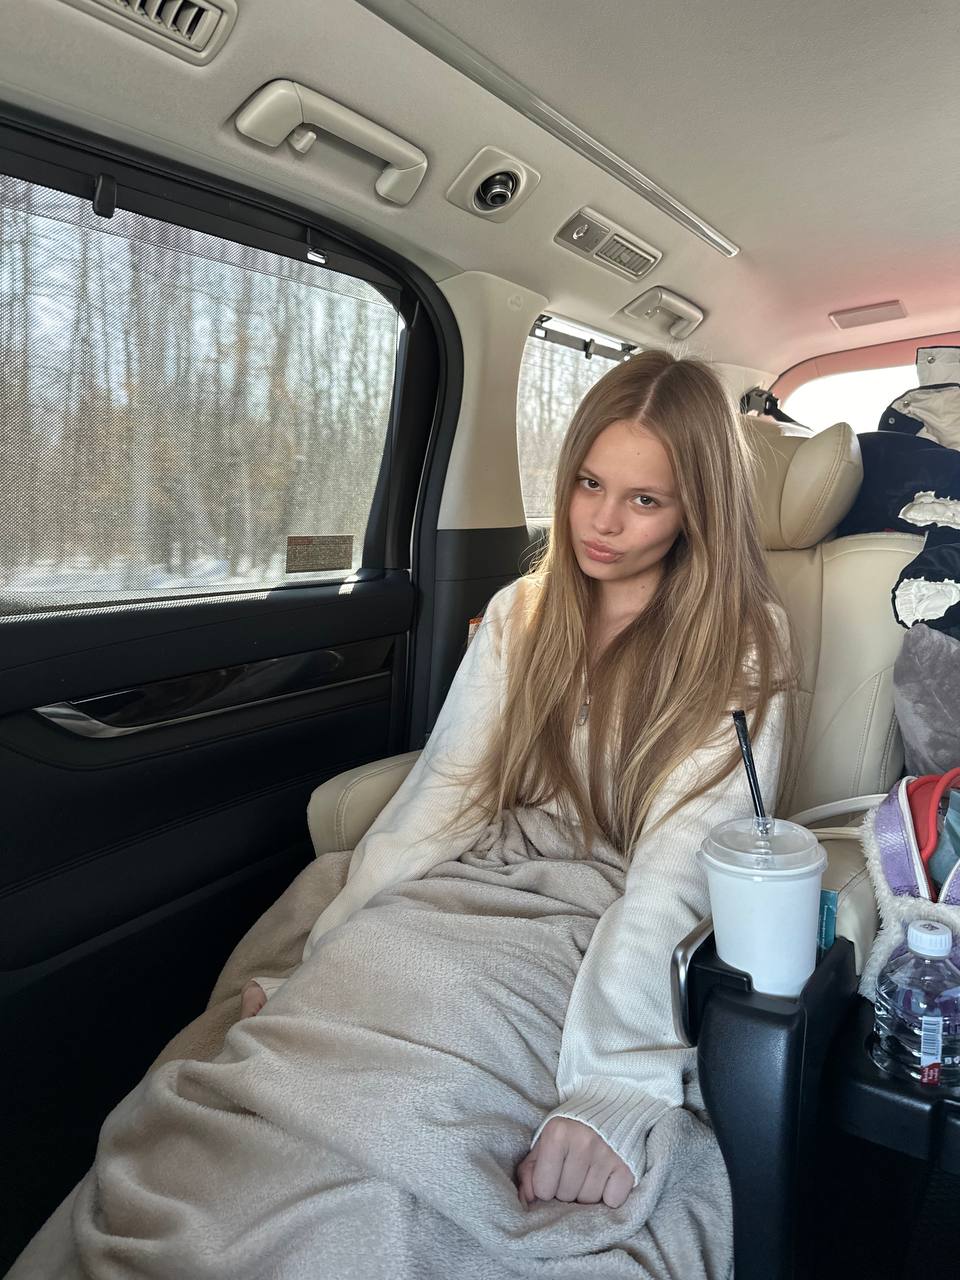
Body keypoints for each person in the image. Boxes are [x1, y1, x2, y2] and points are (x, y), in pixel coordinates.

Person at [10, 350, 795, 1280]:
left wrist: (618, 1085)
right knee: (272, 1075)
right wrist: (324, 947)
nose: (602, 521)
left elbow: (675, 872)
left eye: (645, 500)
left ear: (697, 509)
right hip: (464, 883)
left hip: (592, 923)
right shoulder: (523, 611)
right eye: (589, 483)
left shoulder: (740, 643)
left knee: (400, 1130)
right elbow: (447, 794)